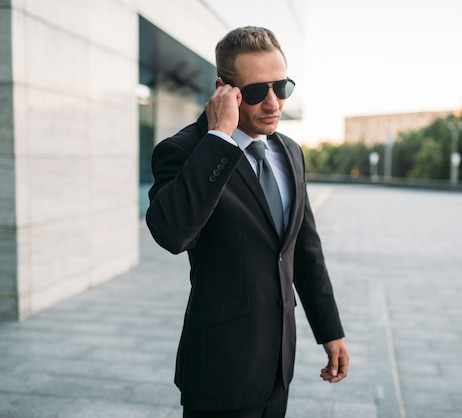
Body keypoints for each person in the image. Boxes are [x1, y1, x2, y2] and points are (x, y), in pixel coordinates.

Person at [146, 26, 349, 418]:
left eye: (281, 87)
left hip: (278, 365)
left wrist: (330, 330)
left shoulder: (290, 152)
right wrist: (219, 136)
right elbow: (172, 233)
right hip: (221, 367)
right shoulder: (183, 151)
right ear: (224, 89)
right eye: (257, 92)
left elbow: (304, 251)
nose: (273, 103)